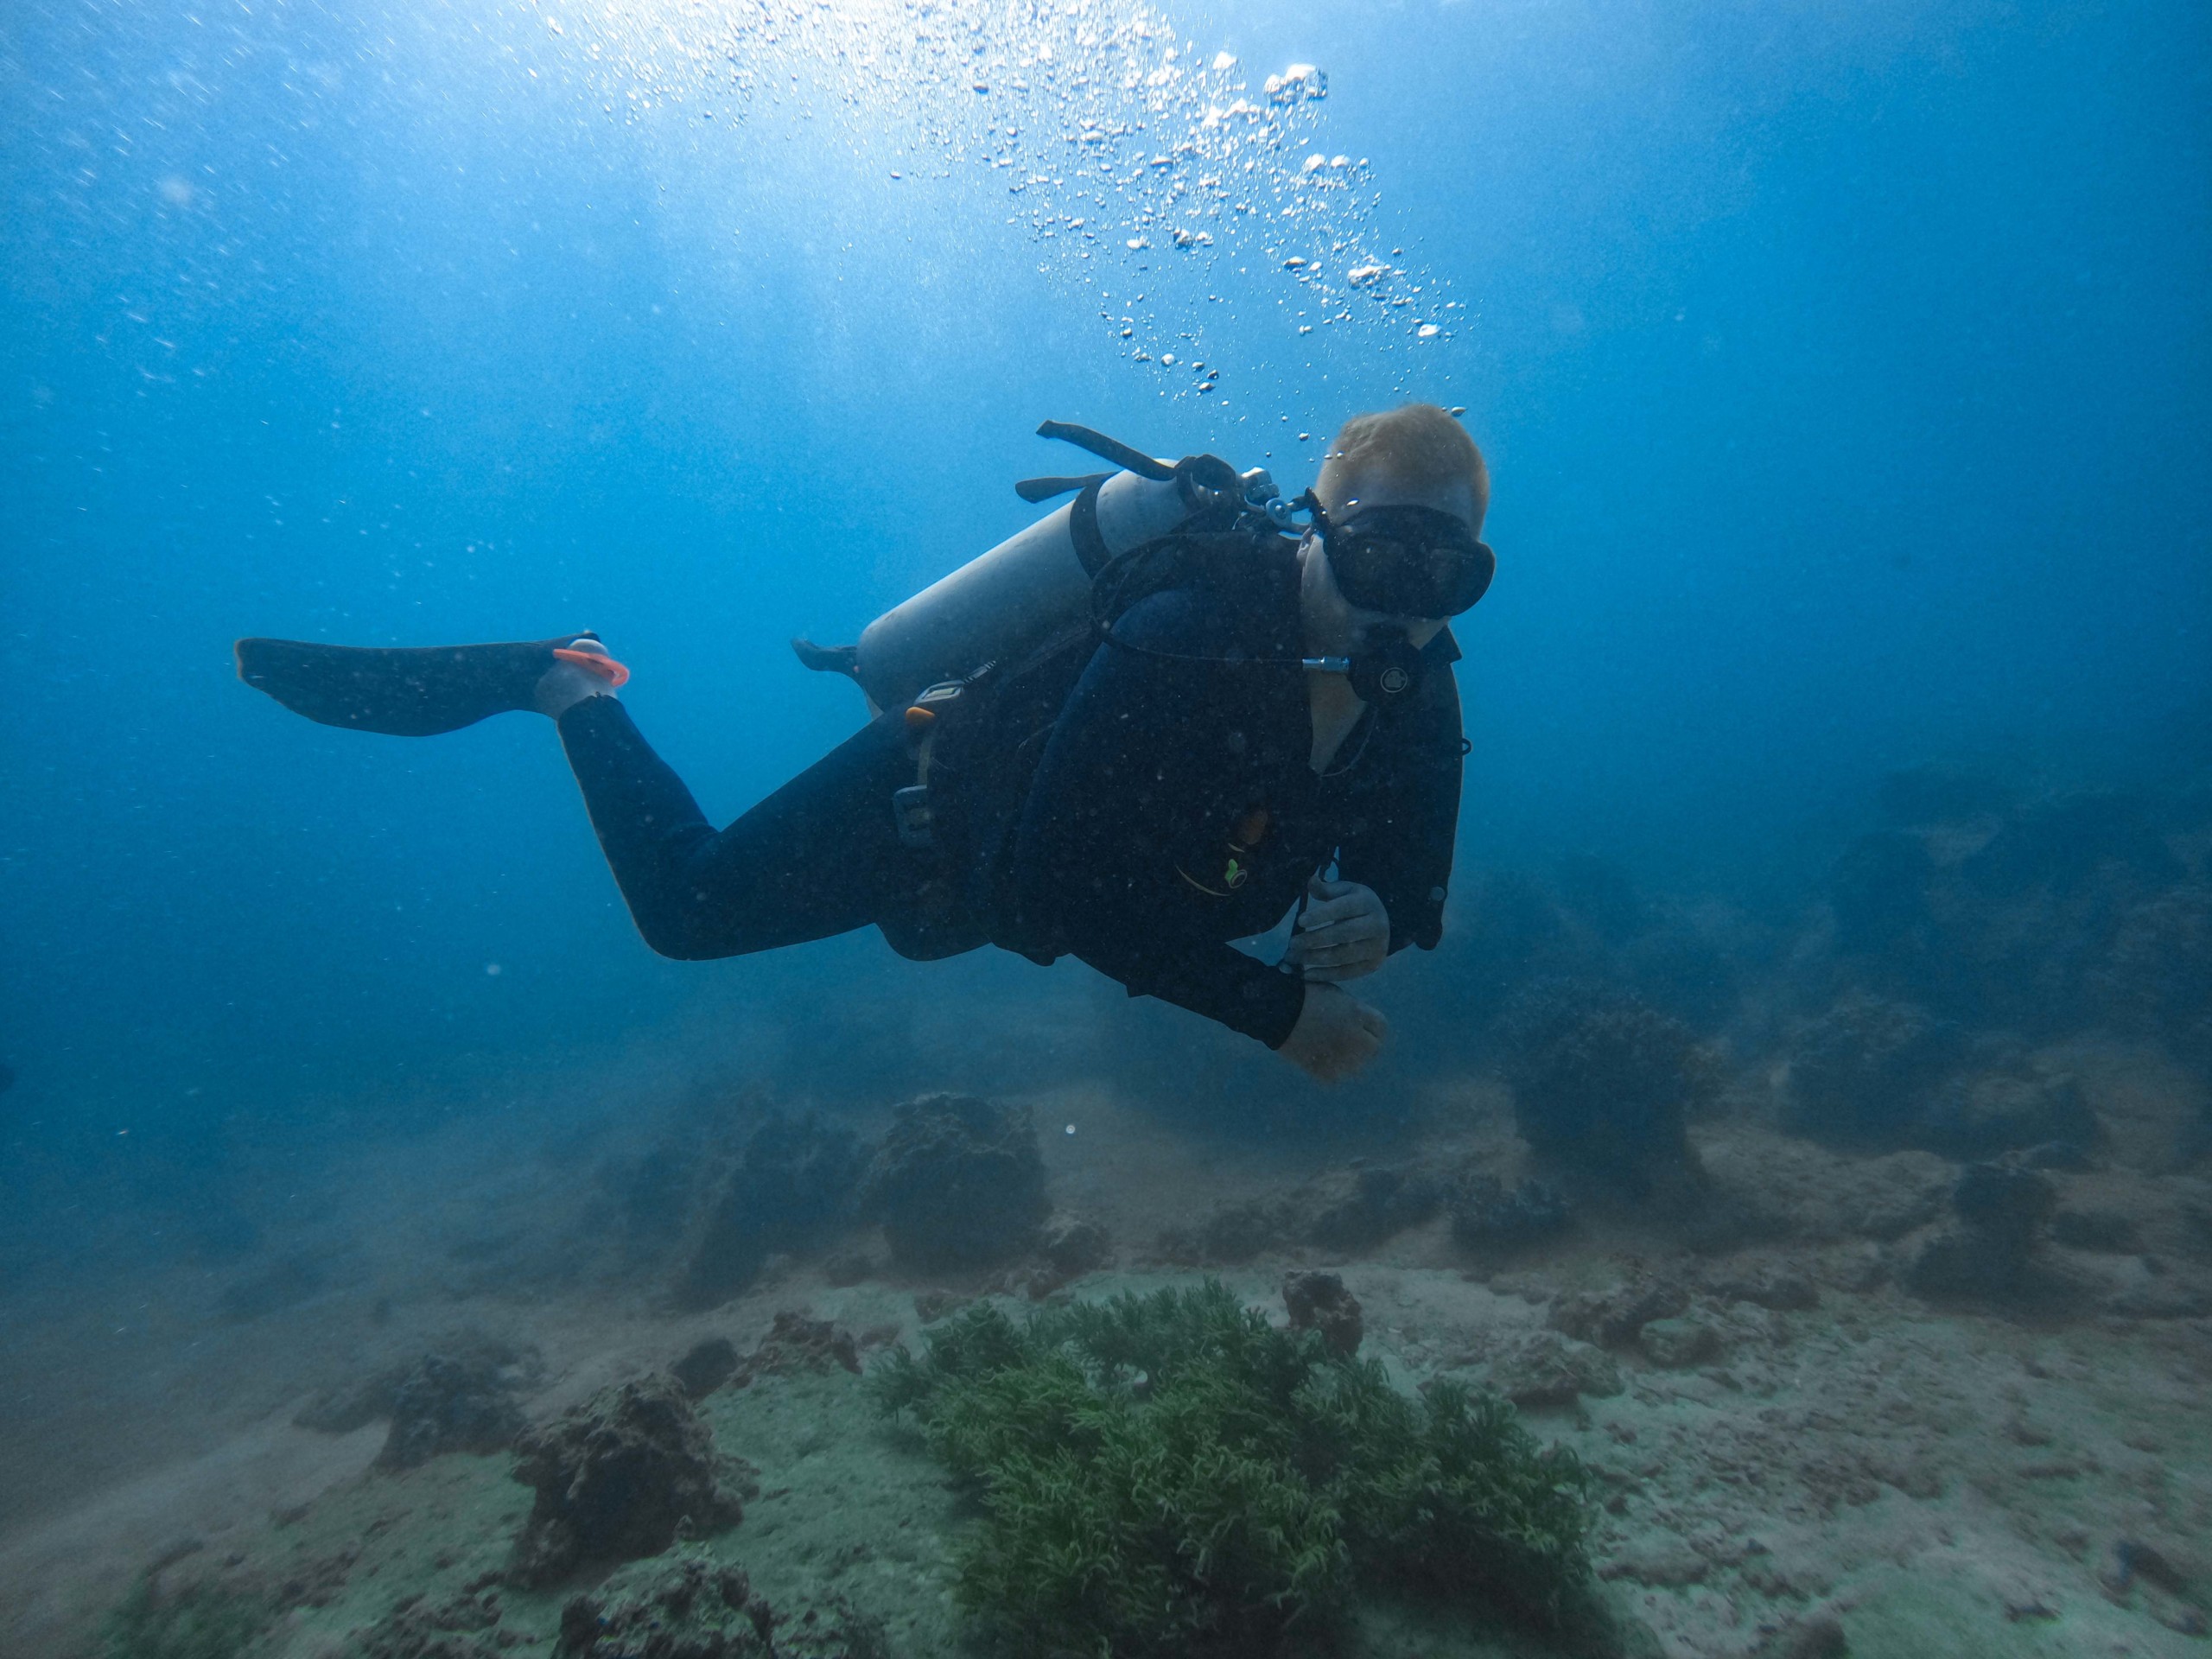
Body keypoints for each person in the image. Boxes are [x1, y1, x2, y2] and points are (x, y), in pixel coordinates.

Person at [239, 404, 1492, 1084]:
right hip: (937, 790)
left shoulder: (1416, 677)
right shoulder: (1188, 629)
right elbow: (1059, 879)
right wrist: (1273, 1011)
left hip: (1027, 885)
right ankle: (564, 686)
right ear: (1320, 528)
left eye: (1451, 569)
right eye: (1383, 548)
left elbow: (1413, 880)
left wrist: (1381, 912)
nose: (1409, 592)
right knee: (685, 909)